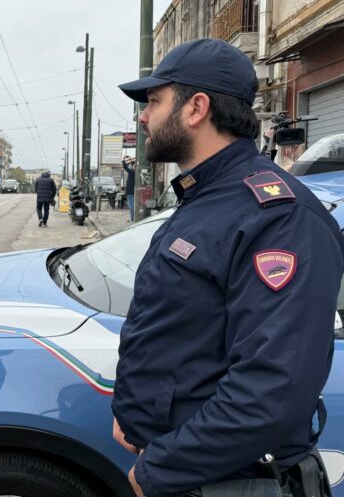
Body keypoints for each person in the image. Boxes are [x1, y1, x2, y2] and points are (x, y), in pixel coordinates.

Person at [112, 38, 343, 497]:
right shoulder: (210, 196)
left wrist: (158, 470)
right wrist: (134, 412)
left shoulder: (277, 217)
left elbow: (272, 389)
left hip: (230, 482)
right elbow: (184, 330)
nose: (143, 116)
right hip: (192, 471)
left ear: (196, 107)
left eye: (154, 102)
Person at [122, 156, 135, 221]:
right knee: (132, 205)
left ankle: (133, 218)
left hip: (130, 192)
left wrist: (124, 160)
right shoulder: (135, 172)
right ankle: (133, 218)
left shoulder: (132, 172)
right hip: (133, 192)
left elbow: (125, 166)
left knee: (131, 206)